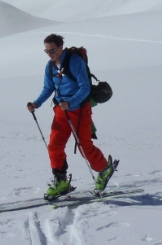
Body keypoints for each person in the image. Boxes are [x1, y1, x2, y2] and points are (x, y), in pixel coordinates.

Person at [27, 34, 120, 199]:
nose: (50, 54)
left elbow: (85, 87)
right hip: (61, 111)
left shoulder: (76, 62)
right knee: (54, 146)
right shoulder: (50, 67)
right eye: (47, 51)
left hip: (79, 110)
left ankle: (105, 169)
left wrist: (70, 102)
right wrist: (36, 103)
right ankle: (61, 181)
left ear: (61, 46)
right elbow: (48, 88)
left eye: (53, 50)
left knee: (84, 146)